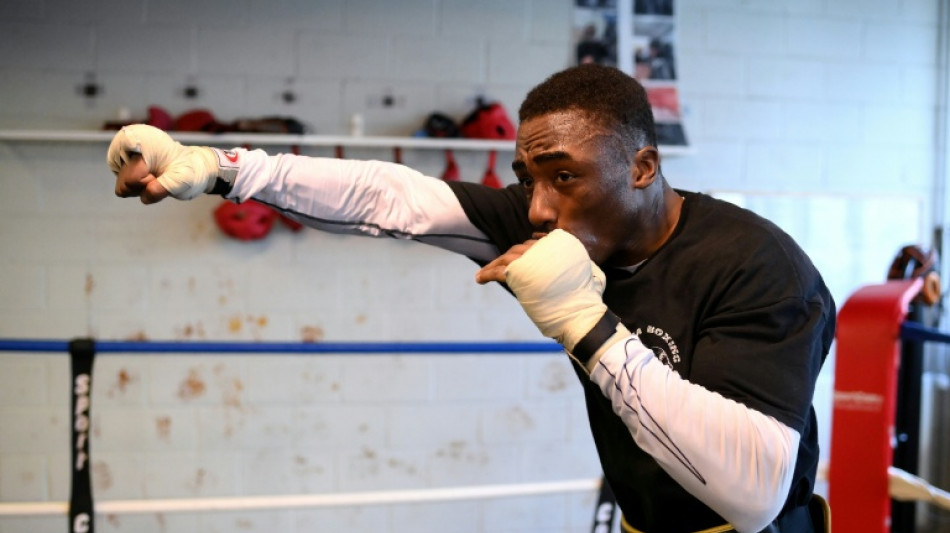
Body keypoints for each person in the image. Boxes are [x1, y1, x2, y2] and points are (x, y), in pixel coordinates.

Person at [108, 64, 835, 533]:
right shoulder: (558, 221)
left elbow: (755, 491)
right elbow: (393, 199)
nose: (541, 209)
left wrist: (589, 326)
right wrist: (225, 168)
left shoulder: (757, 267)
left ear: (642, 166)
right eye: (528, 177)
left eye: (563, 175)